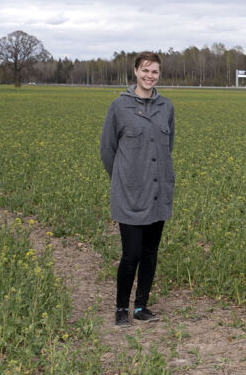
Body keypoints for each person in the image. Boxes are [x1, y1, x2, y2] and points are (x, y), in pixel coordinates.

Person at [100, 51, 175, 327]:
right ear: (135, 71)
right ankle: (121, 308)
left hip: (157, 193)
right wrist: (125, 178)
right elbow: (107, 150)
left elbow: (168, 147)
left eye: (154, 71)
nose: (150, 76)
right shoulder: (119, 107)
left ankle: (141, 306)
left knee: (150, 254)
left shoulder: (166, 107)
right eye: (145, 70)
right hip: (129, 195)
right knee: (130, 255)